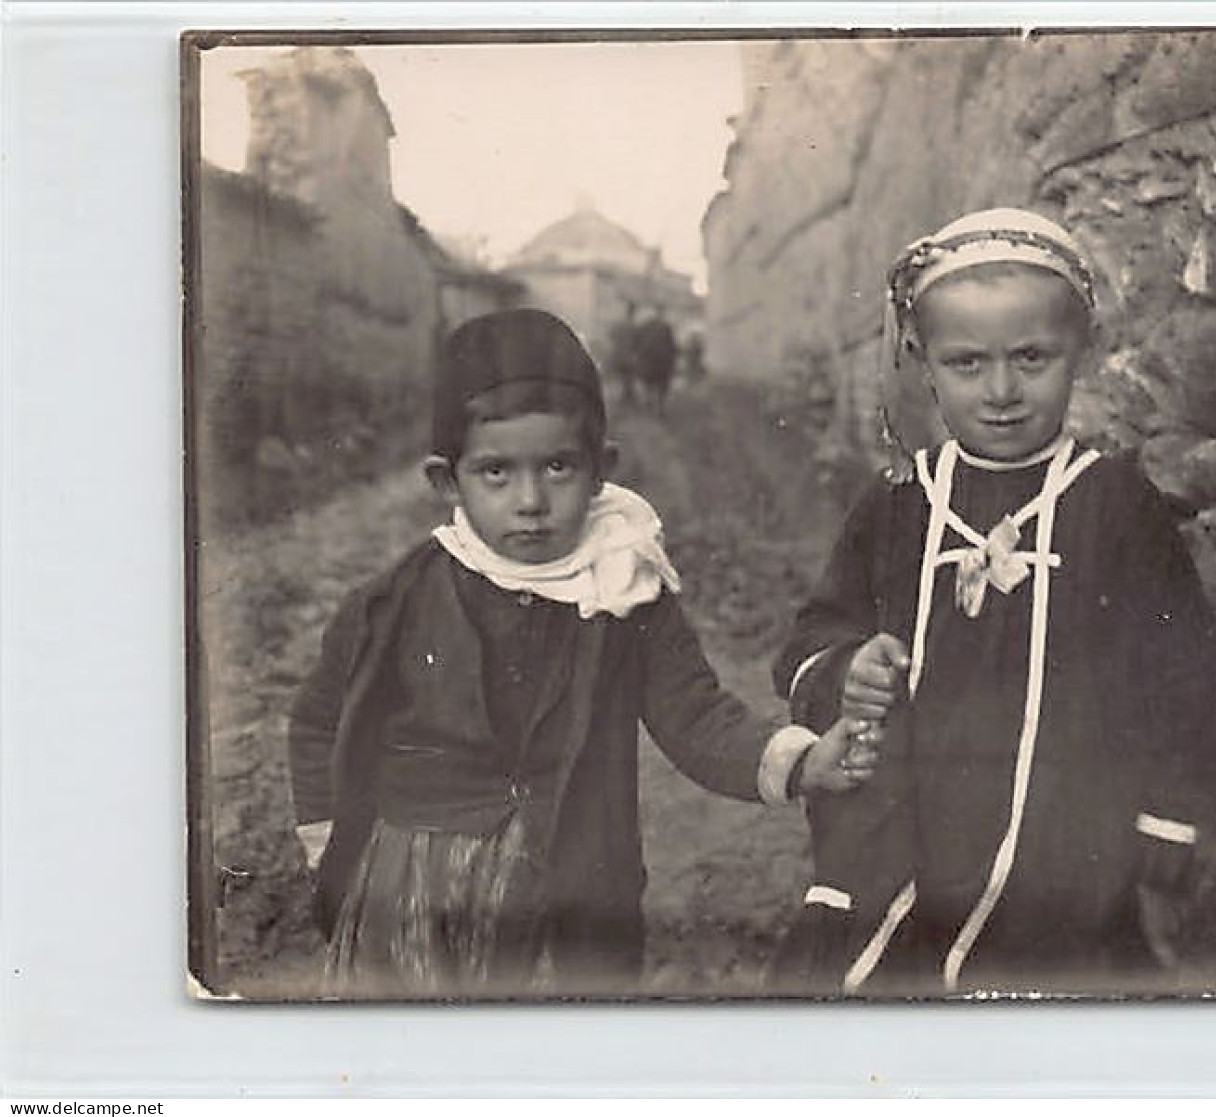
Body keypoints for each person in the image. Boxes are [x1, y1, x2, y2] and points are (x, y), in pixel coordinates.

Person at [287, 307, 870, 998]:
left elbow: (695, 714)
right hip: (414, 885)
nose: (530, 500)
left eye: (558, 466)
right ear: (448, 481)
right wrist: (337, 846)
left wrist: (799, 760)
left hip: (569, 889)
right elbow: (321, 717)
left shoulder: (625, 590)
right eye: (496, 473)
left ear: (602, 469)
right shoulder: (396, 599)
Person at [771, 208, 1216, 996]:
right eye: (965, 363)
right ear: (924, 364)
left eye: (1030, 358)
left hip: (1062, 832)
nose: (1001, 392)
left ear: (1078, 351)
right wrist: (847, 667)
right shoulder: (899, 503)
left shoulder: (1113, 504)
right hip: (904, 827)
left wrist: (1167, 812)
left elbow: (1178, 667)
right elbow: (812, 634)